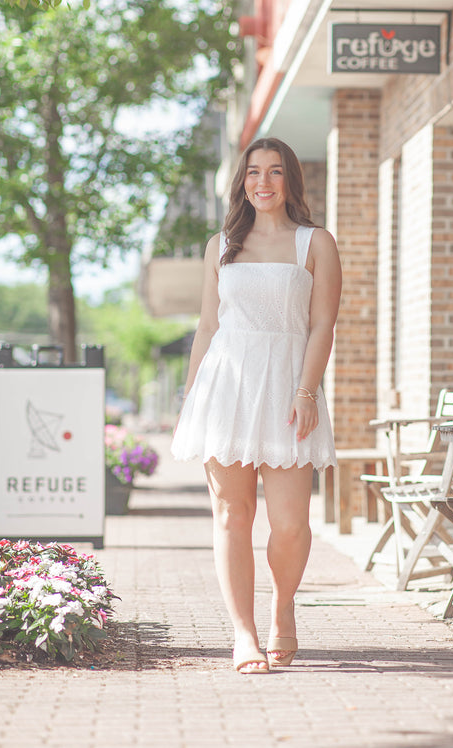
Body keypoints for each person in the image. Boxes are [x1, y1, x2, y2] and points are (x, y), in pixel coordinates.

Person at [171, 136, 342, 674]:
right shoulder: (220, 244)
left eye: (273, 172)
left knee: (290, 524)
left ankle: (281, 604)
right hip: (227, 386)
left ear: (290, 179)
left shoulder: (315, 242)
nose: (262, 183)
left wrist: (307, 390)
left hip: (289, 387)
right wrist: (191, 396)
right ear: (241, 182)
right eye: (252, 173)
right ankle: (242, 633)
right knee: (231, 514)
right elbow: (207, 326)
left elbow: (322, 324)